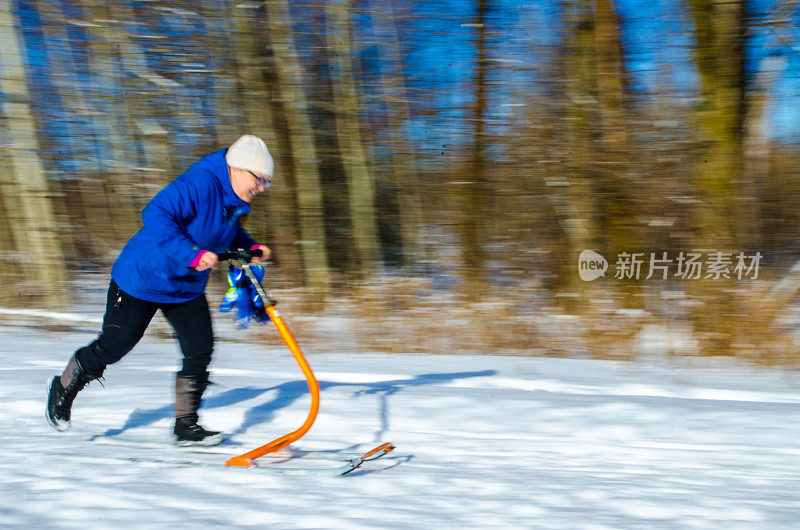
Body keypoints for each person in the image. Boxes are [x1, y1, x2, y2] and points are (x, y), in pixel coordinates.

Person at [46, 134, 273, 445]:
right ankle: (65, 384)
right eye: (258, 180)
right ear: (237, 168)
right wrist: (193, 255)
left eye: (266, 183)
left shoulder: (234, 199)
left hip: (184, 286)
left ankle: (186, 426)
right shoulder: (200, 182)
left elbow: (223, 231)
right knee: (117, 344)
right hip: (143, 278)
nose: (261, 188)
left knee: (199, 348)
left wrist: (250, 246)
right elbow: (156, 214)